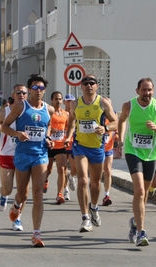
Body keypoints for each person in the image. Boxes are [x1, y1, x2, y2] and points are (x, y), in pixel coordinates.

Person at [117, 77, 156, 246]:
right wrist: (120, 140)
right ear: (137, 91)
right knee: (140, 190)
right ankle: (141, 232)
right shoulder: (129, 105)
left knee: (145, 193)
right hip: (133, 151)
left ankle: (135, 221)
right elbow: (121, 121)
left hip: (151, 154)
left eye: (149, 90)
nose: (146, 93)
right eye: (143, 90)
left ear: (153, 91)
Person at [2, 74, 54, 247]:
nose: (38, 91)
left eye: (41, 88)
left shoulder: (49, 109)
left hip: (40, 154)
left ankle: (36, 233)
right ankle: (16, 205)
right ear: (30, 89)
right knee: (23, 194)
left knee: (38, 193)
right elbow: (4, 126)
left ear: (44, 91)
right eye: (34, 88)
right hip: (23, 154)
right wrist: (18, 134)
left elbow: (49, 127)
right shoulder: (19, 107)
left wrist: (48, 139)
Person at [64, 75, 117, 233]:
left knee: (95, 183)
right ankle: (85, 218)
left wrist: (105, 128)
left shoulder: (102, 103)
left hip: (97, 148)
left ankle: (94, 207)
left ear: (97, 86)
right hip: (80, 146)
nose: (89, 86)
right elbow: (72, 122)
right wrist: (68, 136)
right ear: (81, 87)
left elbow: (115, 122)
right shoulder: (75, 103)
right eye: (85, 83)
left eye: (92, 83)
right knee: (83, 181)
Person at [0, 83, 28, 231]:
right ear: (13, 95)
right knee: (8, 189)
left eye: (24, 93)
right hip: (7, 154)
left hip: (25, 155)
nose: (21, 95)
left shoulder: (31, 111)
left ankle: (17, 219)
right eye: (18, 93)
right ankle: (3, 196)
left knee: (23, 191)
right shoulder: (5, 112)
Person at [44, 91, 69, 204]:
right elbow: (43, 126)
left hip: (61, 145)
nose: (58, 101)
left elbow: (68, 128)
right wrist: (49, 131)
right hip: (49, 144)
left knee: (61, 170)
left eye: (60, 99)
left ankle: (60, 194)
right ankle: (45, 180)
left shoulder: (66, 114)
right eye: (56, 99)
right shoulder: (48, 113)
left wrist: (68, 138)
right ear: (51, 100)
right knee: (48, 169)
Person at [101, 97, 119, 206]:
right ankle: (92, 193)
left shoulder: (114, 114)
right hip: (96, 148)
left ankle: (106, 195)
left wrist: (116, 135)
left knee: (107, 170)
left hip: (108, 147)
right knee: (96, 174)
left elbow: (116, 126)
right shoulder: (97, 114)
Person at [63, 94, 77, 201]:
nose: (69, 103)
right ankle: (65, 190)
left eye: (71, 101)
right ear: (64, 102)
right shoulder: (60, 113)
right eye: (67, 101)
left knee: (74, 168)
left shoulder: (76, 113)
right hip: (61, 144)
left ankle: (71, 176)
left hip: (73, 143)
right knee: (63, 169)